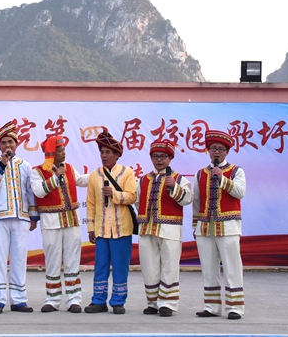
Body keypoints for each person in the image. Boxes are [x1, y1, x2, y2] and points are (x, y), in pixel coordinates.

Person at [30, 135, 89, 313]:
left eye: (64, 150)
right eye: (60, 150)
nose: (64, 153)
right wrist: (56, 177)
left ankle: (74, 299)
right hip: (51, 223)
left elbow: (81, 180)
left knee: (72, 260)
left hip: (71, 220)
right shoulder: (37, 171)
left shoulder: (69, 168)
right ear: (50, 153)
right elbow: (39, 192)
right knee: (52, 261)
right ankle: (52, 299)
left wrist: (99, 175)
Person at [0, 121, 38, 314]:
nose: (7, 145)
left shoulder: (25, 165)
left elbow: (30, 192)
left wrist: (33, 216)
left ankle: (19, 300)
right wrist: (3, 164)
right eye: (4, 142)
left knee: (19, 259)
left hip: (21, 217)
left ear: (17, 144)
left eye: (10, 142)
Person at [193, 130, 246, 320]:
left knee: (232, 267)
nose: (217, 152)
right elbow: (197, 201)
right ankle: (212, 306)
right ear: (208, 151)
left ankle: (235, 307)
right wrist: (195, 226)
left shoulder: (236, 171)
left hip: (228, 226)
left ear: (227, 152)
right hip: (205, 226)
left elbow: (240, 192)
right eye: (213, 148)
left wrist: (222, 179)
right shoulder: (201, 173)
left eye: (221, 149)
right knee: (208, 267)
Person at [136, 140, 192, 317]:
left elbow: (187, 199)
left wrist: (174, 186)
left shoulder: (180, 179)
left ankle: (168, 303)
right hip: (147, 228)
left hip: (170, 229)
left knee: (169, 266)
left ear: (170, 158)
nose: (159, 160)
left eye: (163, 157)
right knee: (149, 266)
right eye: (155, 156)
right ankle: (152, 302)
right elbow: (138, 201)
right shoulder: (143, 179)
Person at [84, 130, 136, 315]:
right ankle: (98, 300)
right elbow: (91, 203)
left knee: (120, 266)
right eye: (102, 152)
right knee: (100, 265)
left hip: (122, 228)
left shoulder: (127, 172)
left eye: (108, 152)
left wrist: (114, 194)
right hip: (101, 229)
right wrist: (91, 228)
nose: (104, 156)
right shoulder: (94, 175)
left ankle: (118, 301)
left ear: (117, 154)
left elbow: (132, 196)